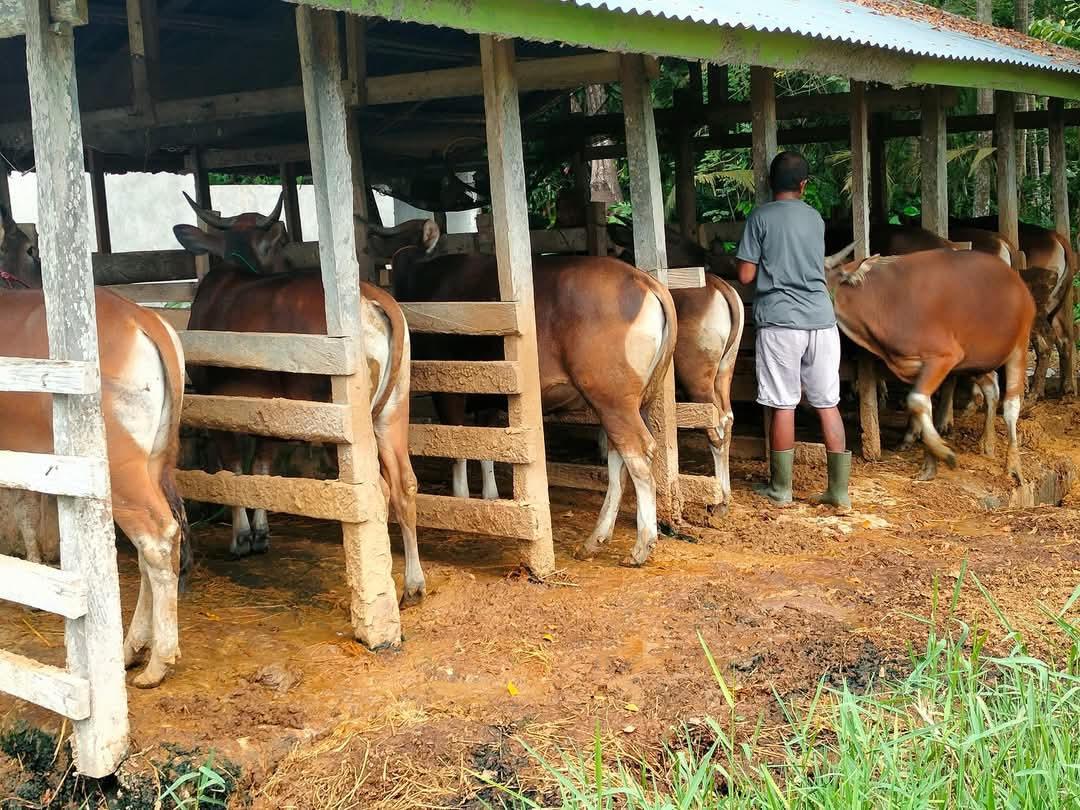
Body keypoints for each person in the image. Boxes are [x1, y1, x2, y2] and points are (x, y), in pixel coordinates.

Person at [735, 151, 850, 508]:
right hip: (821, 320)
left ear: (770, 183)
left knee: (784, 404)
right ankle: (839, 492)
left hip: (781, 321)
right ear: (804, 185)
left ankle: (781, 489)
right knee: (828, 403)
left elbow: (745, 276)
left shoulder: (760, 217)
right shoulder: (815, 218)